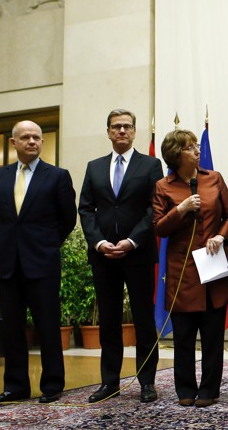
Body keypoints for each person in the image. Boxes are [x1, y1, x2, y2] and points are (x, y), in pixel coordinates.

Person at [0, 120, 77, 405]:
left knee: (47, 326)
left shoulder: (57, 175)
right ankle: (15, 386)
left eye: (37, 137)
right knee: (12, 329)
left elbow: (68, 219)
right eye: (26, 137)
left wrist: (47, 244)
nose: (32, 141)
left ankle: (52, 384)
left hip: (42, 262)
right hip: (8, 263)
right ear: (14, 143)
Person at [152, 129, 228, 408]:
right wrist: (180, 209)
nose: (197, 150)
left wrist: (221, 237)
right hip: (183, 269)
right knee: (183, 335)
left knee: (213, 333)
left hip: (213, 265)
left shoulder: (213, 178)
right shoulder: (163, 186)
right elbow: (158, 227)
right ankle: (185, 389)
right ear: (176, 155)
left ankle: (209, 389)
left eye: (196, 145)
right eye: (190, 147)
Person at [79, 109, 164, 404]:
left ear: (135, 131)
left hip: (138, 253)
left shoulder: (151, 165)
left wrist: (131, 241)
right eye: (116, 127)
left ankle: (147, 382)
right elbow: (86, 208)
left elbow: (155, 208)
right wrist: (99, 242)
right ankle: (109, 382)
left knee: (143, 320)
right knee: (109, 321)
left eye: (127, 126)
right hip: (104, 256)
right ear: (108, 132)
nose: (122, 131)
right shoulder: (94, 167)